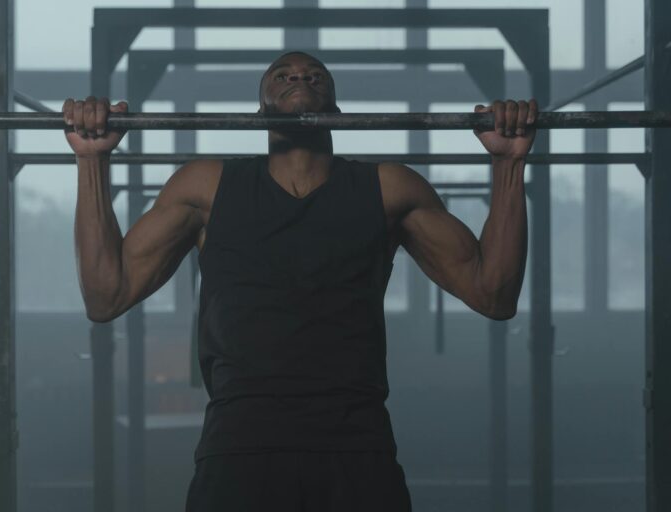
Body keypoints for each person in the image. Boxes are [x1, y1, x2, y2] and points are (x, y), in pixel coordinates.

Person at [62, 51, 536, 512]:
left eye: (315, 75)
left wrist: (509, 162)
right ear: (259, 109)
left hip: (356, 448)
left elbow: (493, 293)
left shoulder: (390, 187)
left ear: (336, 109)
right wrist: (91, 161)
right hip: (239, 448)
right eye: (282, 74)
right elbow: (107, 294)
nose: (299, 77)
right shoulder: (205, 186)